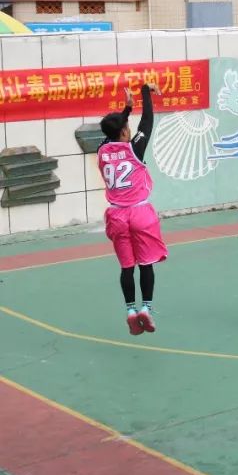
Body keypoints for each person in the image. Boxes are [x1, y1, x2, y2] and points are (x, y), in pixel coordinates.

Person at [98, 82, 166, 336]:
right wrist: (145, 92)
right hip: (139, 213)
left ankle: (130, 311)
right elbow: (147, 121)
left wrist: (125, 111)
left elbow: (110, 132)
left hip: (116, 215)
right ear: (125, 132)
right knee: (146, 263)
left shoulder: (102, 151)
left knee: (127, 266)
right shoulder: (134, 148)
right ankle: (146, 308)